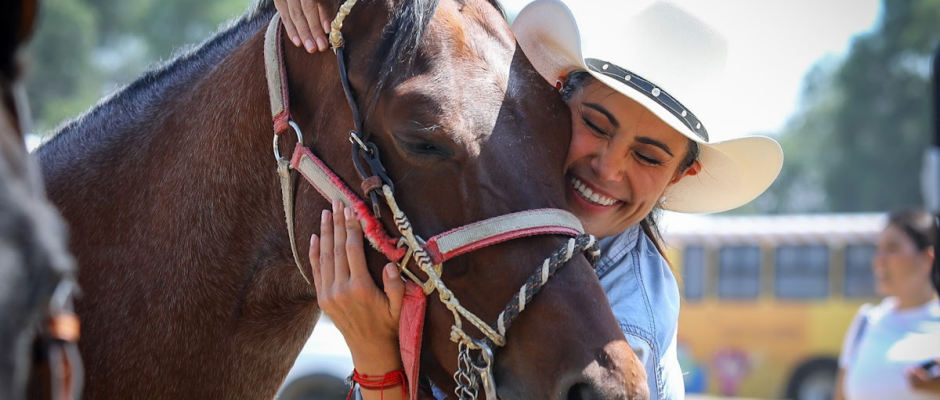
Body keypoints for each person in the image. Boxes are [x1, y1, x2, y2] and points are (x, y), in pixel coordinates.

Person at [279, 0, 784, 399]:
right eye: (594, 124)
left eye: (649, 157)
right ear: (557, 97)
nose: (608, 168)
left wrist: (375, 360)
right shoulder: (515, 222)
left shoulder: (628, 330)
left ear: (680, 174)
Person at [833, 208, 940, 400]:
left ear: (926, 258)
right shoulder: (865, 320)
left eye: (892, 248)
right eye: (878, 249)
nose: (879, 260)